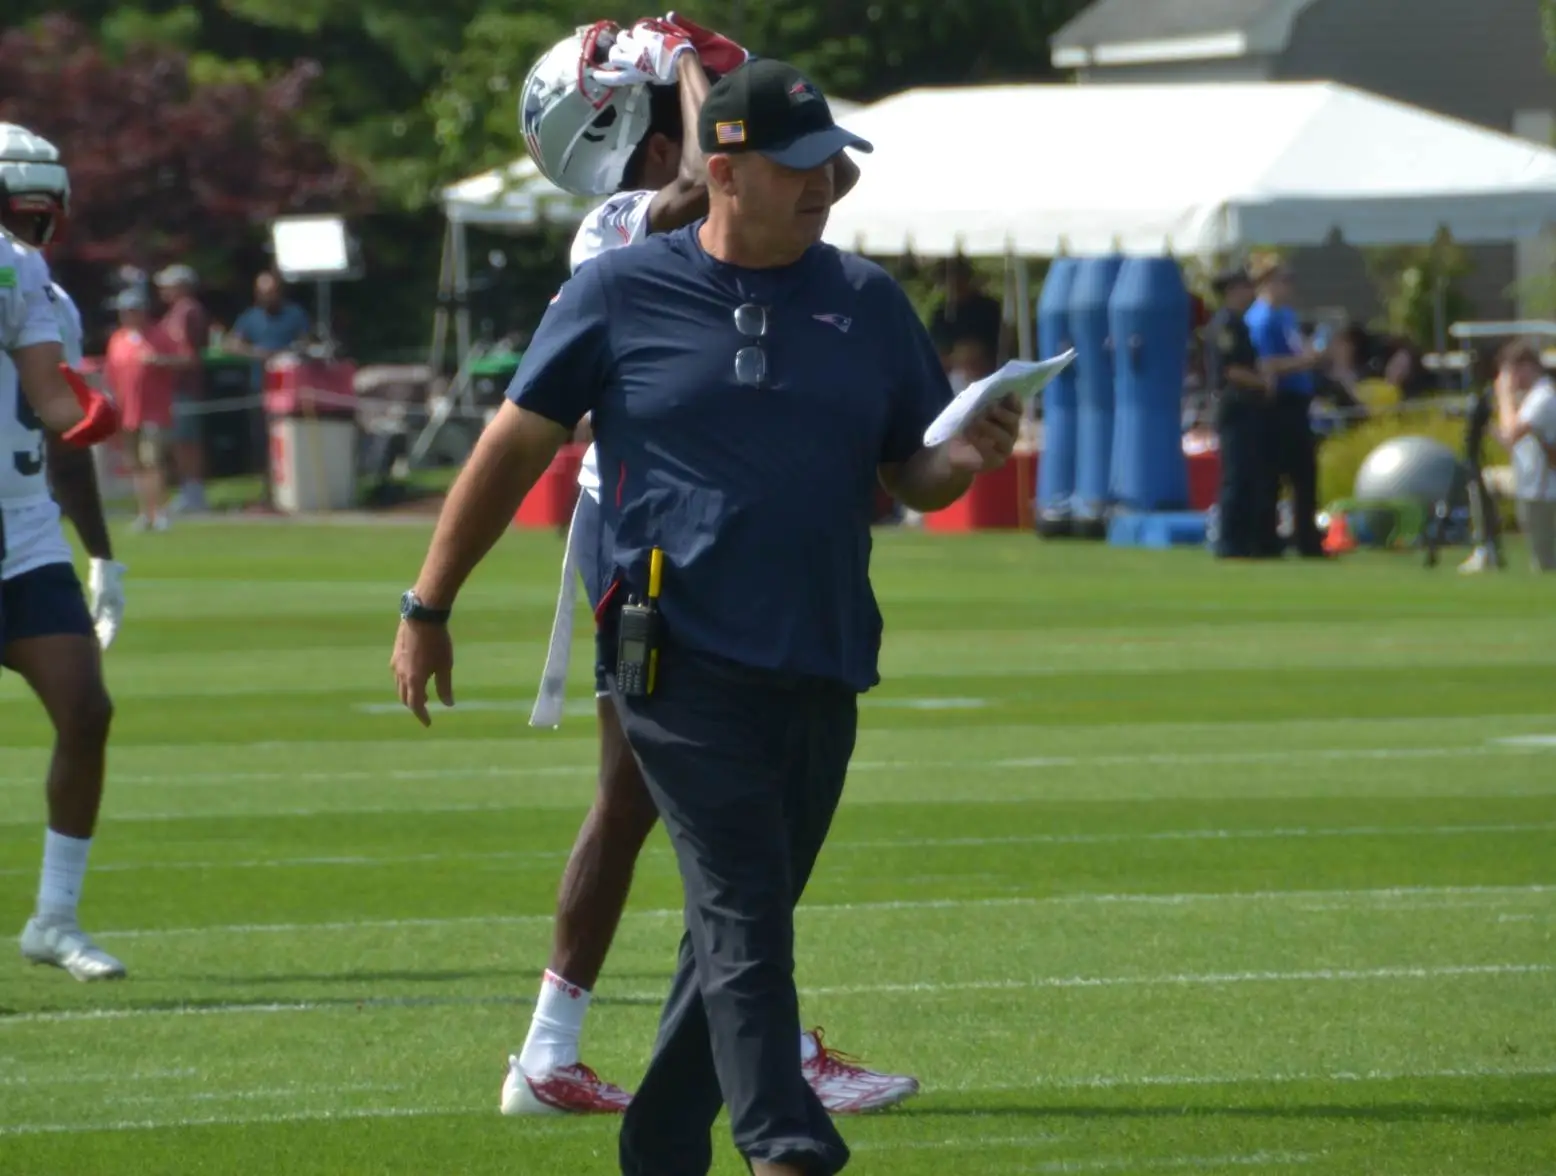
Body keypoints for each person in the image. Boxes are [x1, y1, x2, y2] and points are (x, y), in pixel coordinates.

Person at [392, 58, 1018, 1176]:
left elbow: (909, 472)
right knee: (739, 898)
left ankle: (663, 1142)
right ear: (720, 169)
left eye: (834, 162)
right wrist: (426, 603)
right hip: (669, 649)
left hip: (822, 648)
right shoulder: (618, 291)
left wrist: (961, 459)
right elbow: (508, 450)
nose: (825, 182)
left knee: (744, 913)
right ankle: (782, 1141)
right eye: (798, 165)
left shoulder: (866, 301)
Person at [507, 17, 908, 1119]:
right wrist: (680, 62)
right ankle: (721, 1050)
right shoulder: (623, 220)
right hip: (647, 543)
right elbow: (706, 183)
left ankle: (576, 1048)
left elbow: (784, 183)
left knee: (667, 801)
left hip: (680, 535)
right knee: (689, 797)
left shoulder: (707, 206)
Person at [1, 132, 124, 983]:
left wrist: (103, 555)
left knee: (86, 709)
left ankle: (54, 917)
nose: (33, 230)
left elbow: (52, 406)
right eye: (20, 213)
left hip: (23, 534)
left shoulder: (30, 278)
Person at [1245, 261, 1326, 557]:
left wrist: (1311, 354)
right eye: (1283, 280)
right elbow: (1266, 364)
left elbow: (1297, 347)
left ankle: (1307, 539)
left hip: (1299, 402)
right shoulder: (1261, 318)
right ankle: (1267, 539)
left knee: (1305, 475)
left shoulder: (1286, 315)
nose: (1288, 286)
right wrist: (1304, 363)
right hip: (1279, 403)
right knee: (1273, 475)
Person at [1203, 267, 1273, 559]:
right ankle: (1230, 541)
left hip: (1247, 406)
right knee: (1236, 475)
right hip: (1235, 406)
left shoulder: (1239, 324)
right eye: (1246, 286)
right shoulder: (1227, 325)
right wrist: (1262, 382)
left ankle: (1247, 540)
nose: (1251, 292)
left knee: (1249, 475)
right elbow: (1231, 370)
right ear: (1232, 290)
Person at [105, 287, 179, 531]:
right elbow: (111, 374)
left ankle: (161, 511)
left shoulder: (159, 335)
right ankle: (144, 512)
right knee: (135, 464)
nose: (128, 316)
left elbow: (183, 360)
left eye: (133, 311)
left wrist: (160, 361)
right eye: (125, 311)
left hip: (154, 411)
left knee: (154, 462)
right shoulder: (118, 339)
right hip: (127, 413)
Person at [1491, 340, 1556, 572]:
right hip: (1530, 486)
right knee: (1486, 481)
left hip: (1544, 491)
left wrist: (1504, 396)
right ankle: (1486, 550)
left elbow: (1510, 435)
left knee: (1545, 565)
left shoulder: (1543, 396)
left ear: (1526, 367)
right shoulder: (1531, 398)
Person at [154, 263, 210, 512]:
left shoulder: (189, 312)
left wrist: (160, 362)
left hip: (185, 385)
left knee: (187, 440)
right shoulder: (173, 313)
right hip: (171, 386)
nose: (163, 290)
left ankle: (194, 492)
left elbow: (190, 355)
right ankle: (186, 489)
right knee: (178, 441)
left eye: (169, 285)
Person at [225, 270, 310, 385]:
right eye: (262, 293)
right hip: (258, 383)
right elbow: (232, 344)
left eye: (270, 293)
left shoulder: (295, 314)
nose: (266, 297)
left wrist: (286, 353)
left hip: (288, 381)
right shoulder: (250, 316)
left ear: (278, 292)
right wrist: (256, 353)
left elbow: (306, 343)